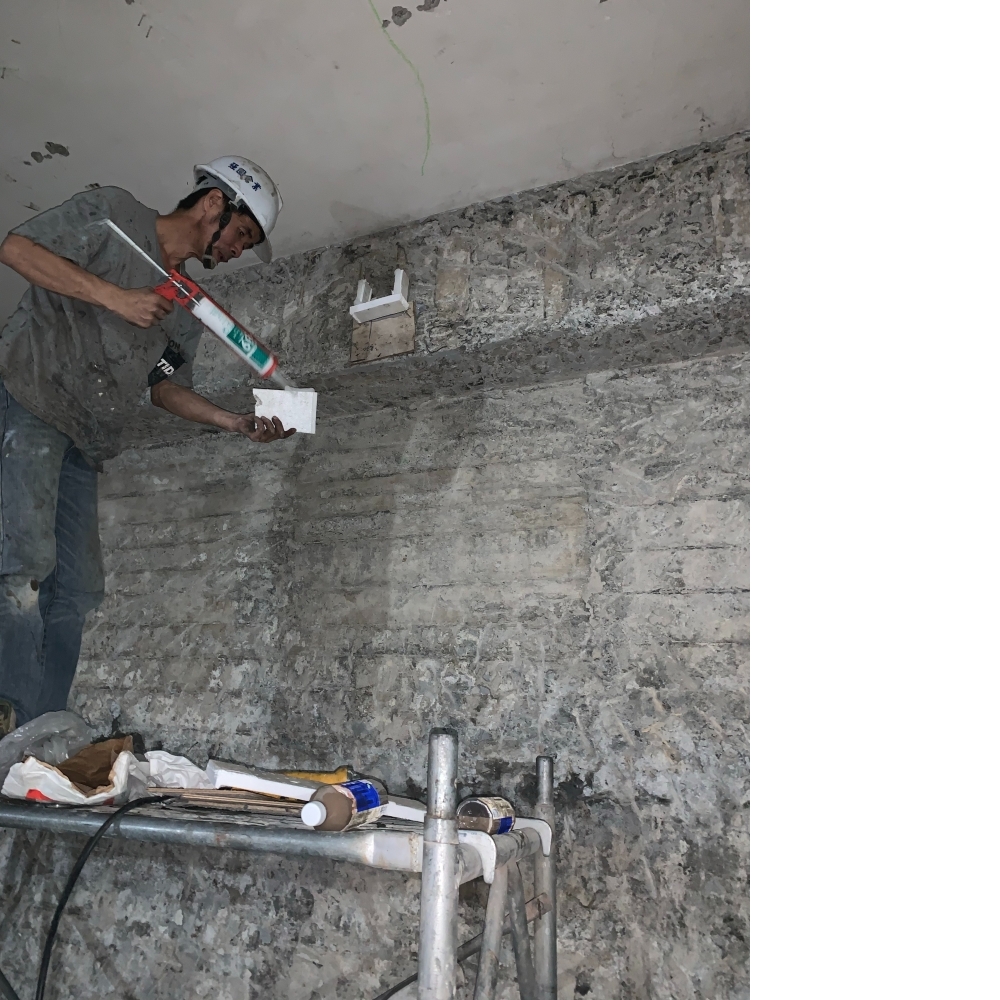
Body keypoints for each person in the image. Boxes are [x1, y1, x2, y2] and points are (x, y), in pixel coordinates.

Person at [0, 156, 294, 735]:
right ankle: (8, 720)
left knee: (77, 591)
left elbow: (165, 389)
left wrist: (234, 422)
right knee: (23, 569)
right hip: (29, 400)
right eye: (241, 233)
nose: (237, 249)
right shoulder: (115, 213)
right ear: (214, 203)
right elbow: (16, 249)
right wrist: (115, 297)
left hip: (85, 441)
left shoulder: (186, 307)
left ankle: (40, 735)